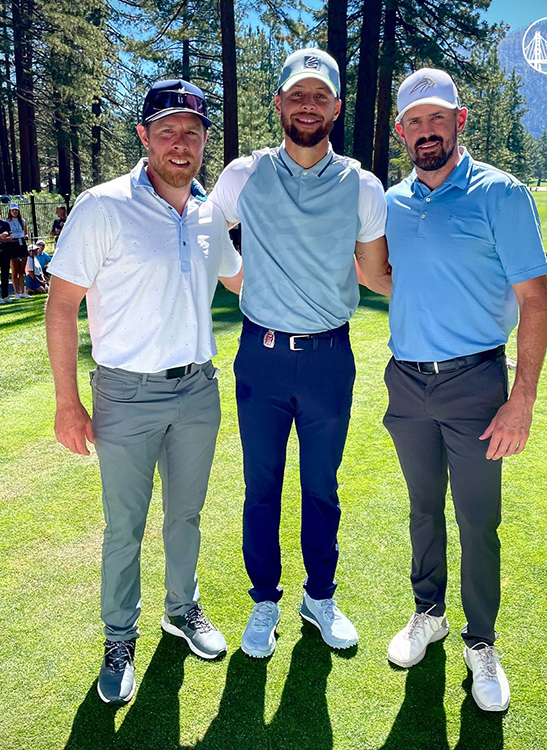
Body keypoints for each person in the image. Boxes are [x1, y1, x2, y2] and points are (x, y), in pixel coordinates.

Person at [46, 79, 243, 705]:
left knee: (186, 516)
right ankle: (119, 637)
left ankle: (181, 610)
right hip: (125, 395)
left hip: (198, 390)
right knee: (124, 525)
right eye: (167, 130)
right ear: (144, 136)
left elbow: (242, 281)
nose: (180, 143)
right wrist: (67, 402)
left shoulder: (209, 215)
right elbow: (61, 305)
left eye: (192, 131)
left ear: (205, 140)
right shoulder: (102, 206)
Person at [210, 48, 391, 658]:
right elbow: (205, 229)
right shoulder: (244, 174)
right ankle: (265, 600)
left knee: (320, 486)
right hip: (261, 358)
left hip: (328, 361)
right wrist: (240, 280)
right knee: (260, 486)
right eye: (297, 95)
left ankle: (320, 596)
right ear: (279, 103)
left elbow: (375, 272)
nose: (308, 106)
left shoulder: (362, 186)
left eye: (320, 96)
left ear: (336, 108)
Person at [383, 68, 547, 712]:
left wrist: (522, 397)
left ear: (459, 120)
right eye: (414, 121)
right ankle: (429, 613)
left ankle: (481, 642)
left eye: (437, 118)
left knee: (478, 520)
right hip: (407, 381)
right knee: (423, 509)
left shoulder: (501, 194)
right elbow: (387, 275)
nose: (426, 130)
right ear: (401, 131)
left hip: (477, 382)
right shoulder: (393, 202)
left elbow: (534, 301)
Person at [7, 203, 29, 299]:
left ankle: (23, 292)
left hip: (22, 243)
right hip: (13, 244)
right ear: (10, 211)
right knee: (15, 270)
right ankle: (16, 292)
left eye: (16, 210)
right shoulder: (7, 222)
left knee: (22, 269)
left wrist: (26, 236)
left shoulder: (23, 221)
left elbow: (25, 232)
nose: (14, 212)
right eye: (13, 210)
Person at [0, 216, 12, 303]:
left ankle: (5, 295)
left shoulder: (5, 224)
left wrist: (2, 239)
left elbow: (10, 238)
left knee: (5, 274)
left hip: (5, 252)